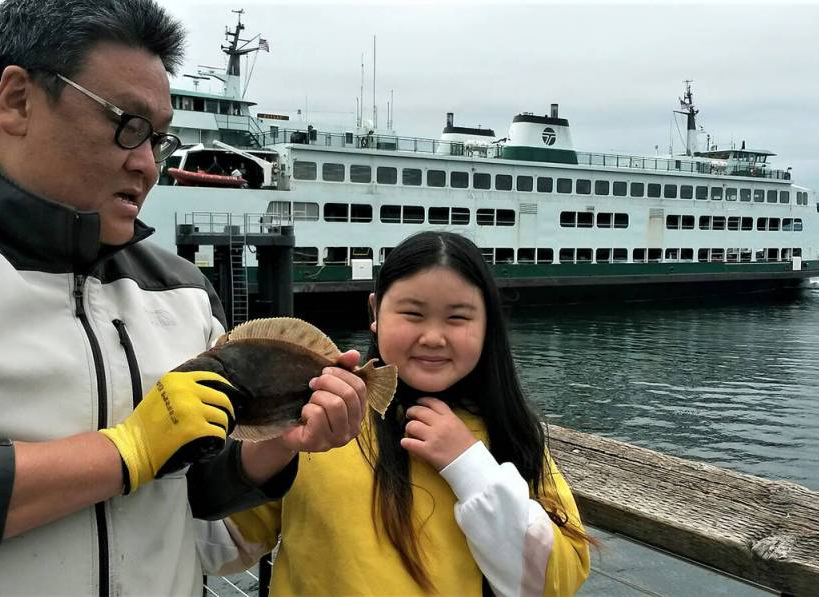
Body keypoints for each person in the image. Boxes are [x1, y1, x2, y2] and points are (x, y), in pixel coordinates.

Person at [0, 0, 367, 594]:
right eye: (127, 125)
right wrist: (126, 450)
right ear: (17, 100)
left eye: (158, 140)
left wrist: (275, 448)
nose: (148, 165)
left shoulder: (185, 289)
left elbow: (193, 485)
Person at [208, 231, 591, 595]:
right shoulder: (318, 422)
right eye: (412, 313)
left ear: (487, 322)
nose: (433, 337)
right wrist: (272, 449)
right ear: (375, 310)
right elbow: (218, 542)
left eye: (458, 317)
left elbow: (555, 583)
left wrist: (469, 465)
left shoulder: (510, 435)